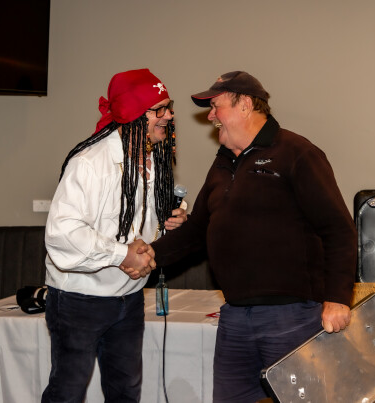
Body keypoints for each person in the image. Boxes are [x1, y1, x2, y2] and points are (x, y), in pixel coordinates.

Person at [151, 71, 357, 402]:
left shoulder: (296, 153)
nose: (211, 116)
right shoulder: (222, 164)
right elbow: (197, 229)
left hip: (292, 316)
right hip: (235, 316)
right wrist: (149, 255)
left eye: (216, 107)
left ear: (245, 105)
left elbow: (339, 230)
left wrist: (338, 298)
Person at [42, 68, 187, 403]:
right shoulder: (89, 163)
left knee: (125, 392)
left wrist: (172, 220)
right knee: (67, 393)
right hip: (80, 300)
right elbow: (63, 232)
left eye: (169, 107)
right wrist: (122, 254)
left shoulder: (154, 158)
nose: (169, 116)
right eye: (160, 109)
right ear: (134, 115)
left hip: (129, 297)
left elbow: (142, 221)